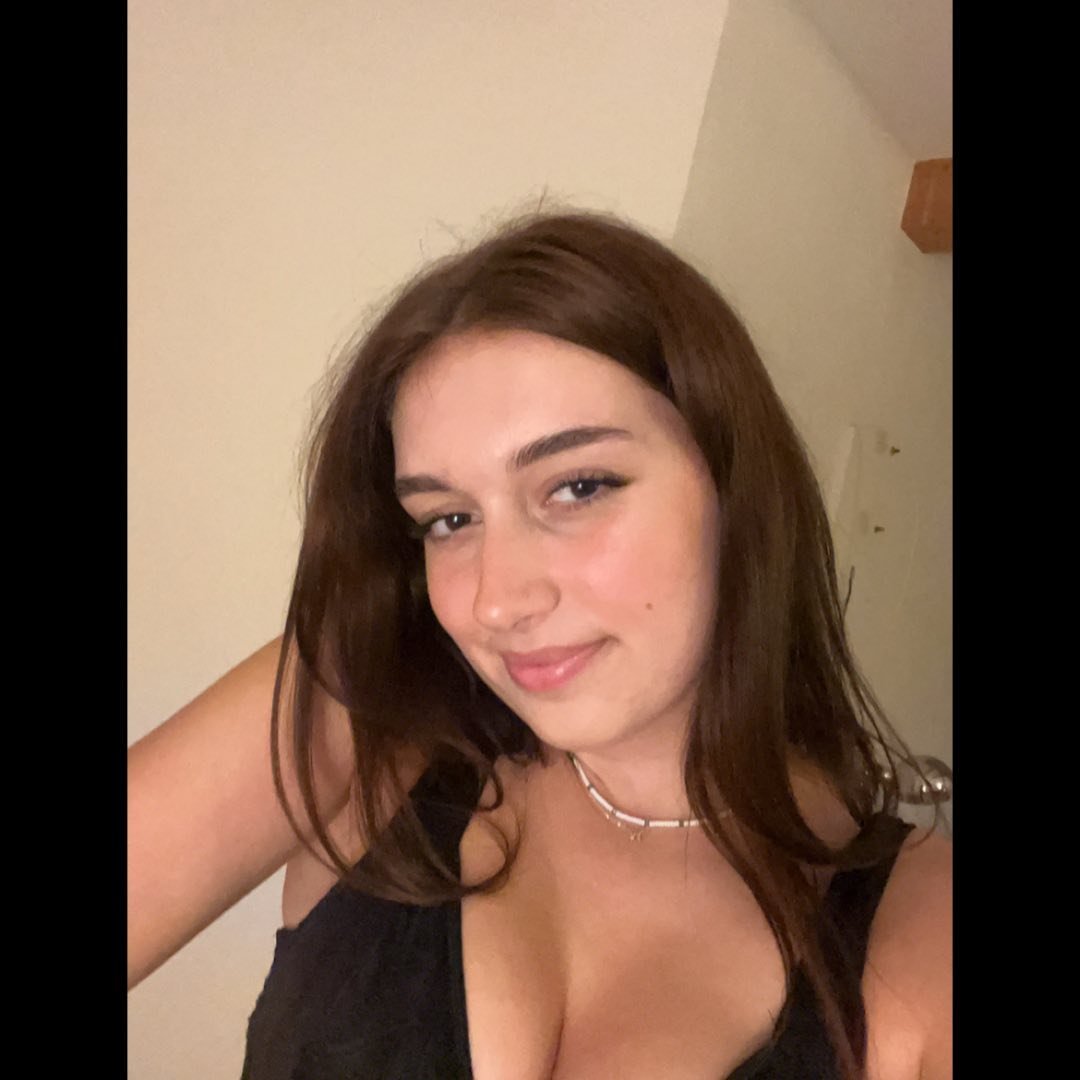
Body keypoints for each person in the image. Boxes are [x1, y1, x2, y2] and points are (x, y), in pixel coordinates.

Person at [128, 210, 952, 1080]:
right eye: (449, 519)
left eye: (578, 487)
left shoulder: (922, 928)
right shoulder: (364, 702)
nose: (497, 600)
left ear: (733, 487)